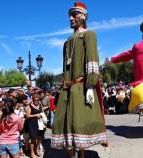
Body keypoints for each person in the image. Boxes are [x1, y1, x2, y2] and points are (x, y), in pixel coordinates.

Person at [51, 2, 107, 158]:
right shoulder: (66, 42)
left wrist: (90, 85)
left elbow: (92, 61)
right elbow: (65, 68)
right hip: (66, 90)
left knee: (79, 125)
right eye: (70, 15)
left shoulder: (89, 35)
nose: (70, 18)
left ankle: (81, 155)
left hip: (81, 87)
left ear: (83, 16)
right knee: (63, 126)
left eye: (74, 14)